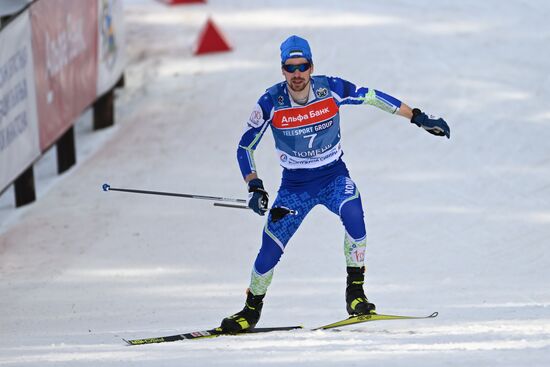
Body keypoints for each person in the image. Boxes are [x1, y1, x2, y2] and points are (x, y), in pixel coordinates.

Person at [220, 35, 450, 332]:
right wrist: (255, 186)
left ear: (311, 66)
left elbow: (371, 96)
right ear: (282, 70)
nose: (297, 74)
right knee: (269, 252)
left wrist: (416, 116)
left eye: (303, 66)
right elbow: (245, 147)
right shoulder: (270, 102)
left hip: (333, 177)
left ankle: (355, 294)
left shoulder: (331, 89)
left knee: (354, 216)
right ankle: (250, 310)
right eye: (291, 68)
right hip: (294, 188)